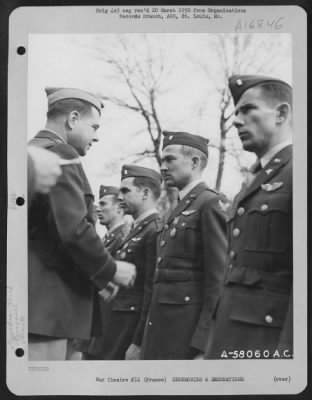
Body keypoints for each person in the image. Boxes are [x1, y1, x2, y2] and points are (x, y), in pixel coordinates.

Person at [28, 87, 136, 361]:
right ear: (73, 119)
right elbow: (73, 229)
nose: (97, 136)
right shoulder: (60, 152)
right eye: (94, 126)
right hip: (50, 309)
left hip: (36, 305)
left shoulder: (31, 152)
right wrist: (109, 269)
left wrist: (96, 277)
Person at [205, 75, 293, 359]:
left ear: (281, 114)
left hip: (267, 344)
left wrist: (289, 356)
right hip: (231, 337)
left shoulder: (297, 172)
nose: (236, 121)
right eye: (235, 113)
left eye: (247, 110)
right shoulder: (254, 179)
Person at [141, 131, 228, 360]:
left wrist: (204, 345)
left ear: (195, 162)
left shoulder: (210, 203)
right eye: (162, 160)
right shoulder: (175, 208)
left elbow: (218, 281)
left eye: (169, 159)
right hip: (162, 332)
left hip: (185, 338)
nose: (162, 167)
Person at [96, 185, 129, 255]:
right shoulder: (107, 237)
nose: (97, 209)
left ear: (119, 208)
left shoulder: (123, 237)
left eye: (103, 204)